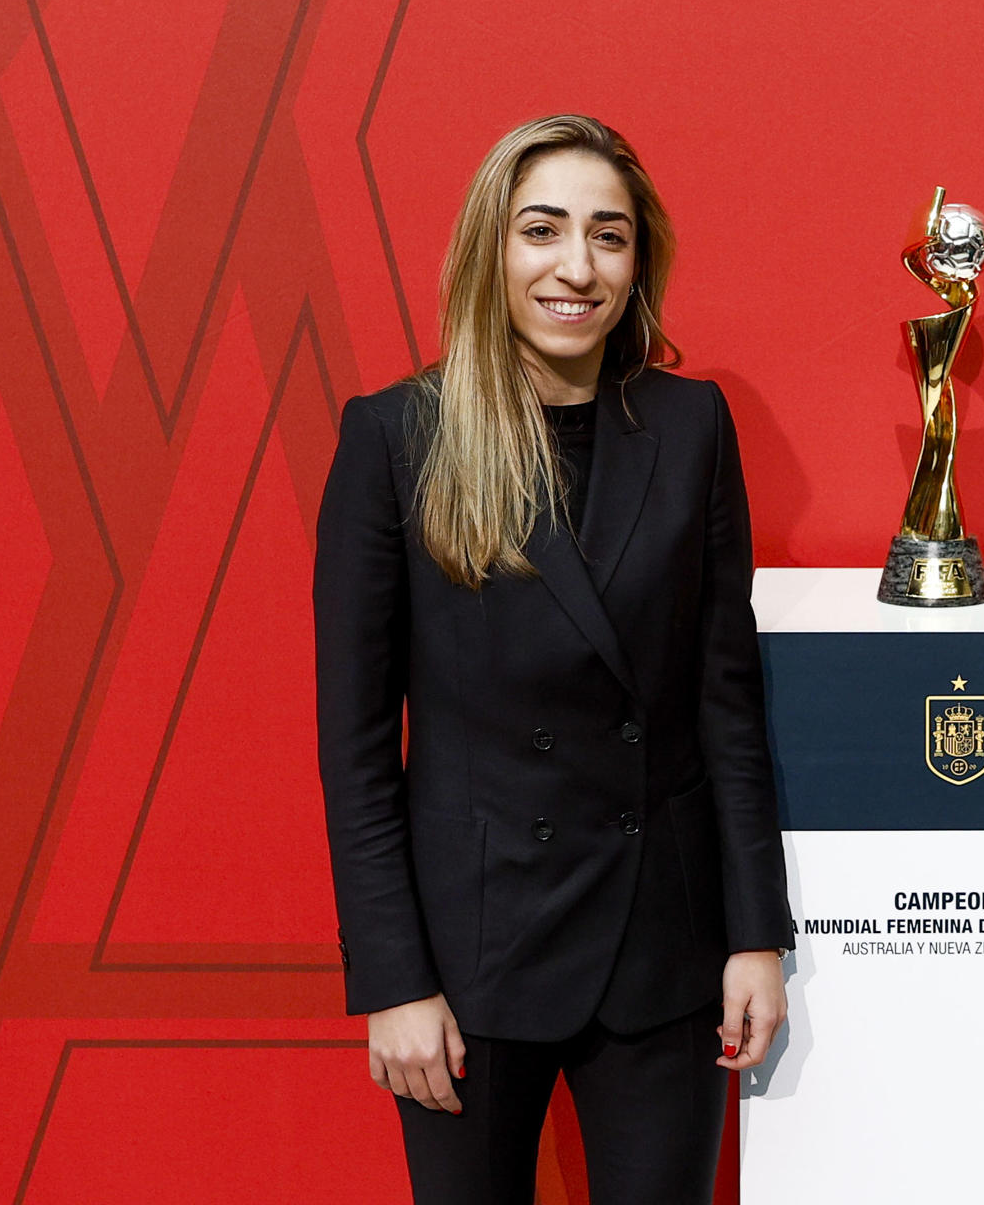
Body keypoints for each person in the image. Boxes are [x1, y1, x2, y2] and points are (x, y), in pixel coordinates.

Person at [314, 114, 792, 1203]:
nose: (578, 267)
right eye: (544, 230)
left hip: (662, 950)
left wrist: (755, 934)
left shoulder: (691, 427)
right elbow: (355, 750)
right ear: (494, 247)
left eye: (609, 236)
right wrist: (394, 980)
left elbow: (726, 702)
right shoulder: (399, 438)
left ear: (640, 260)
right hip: (471, 954)